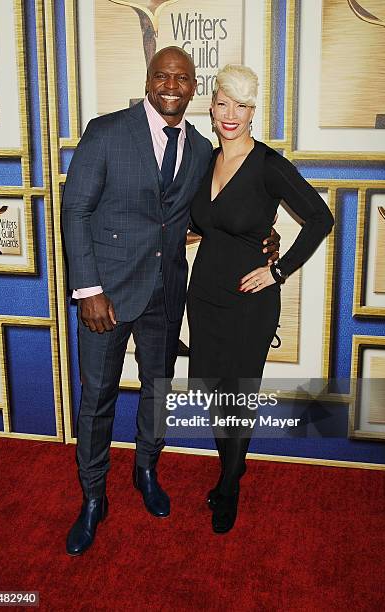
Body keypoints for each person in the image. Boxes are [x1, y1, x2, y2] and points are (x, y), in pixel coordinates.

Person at [61, 47, 280, 555]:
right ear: (148, 79)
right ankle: (93, 497)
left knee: (157, 392)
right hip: (107, 297)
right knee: (97, 401)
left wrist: (263, 239)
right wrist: (89, 291)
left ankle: (145, 471)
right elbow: (76, 211)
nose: (171, 85)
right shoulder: (107, 131)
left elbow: (215, 213)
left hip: (167, 293)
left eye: (182, 78)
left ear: (193, 87)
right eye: (162, 75)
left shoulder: (202, 148)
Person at [187, 64, 334, 534]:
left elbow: (320, 218)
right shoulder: (204, 160)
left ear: (254, 112)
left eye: (242, 105)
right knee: (211, 391)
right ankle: (233, 465)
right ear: (211, 107)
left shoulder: (269, 164)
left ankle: (229, 484)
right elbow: (201, 221)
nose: (232, 114)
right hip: (204, 295)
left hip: (249, 303)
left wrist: (279, 269)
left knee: (238, 396)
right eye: (223, 103)